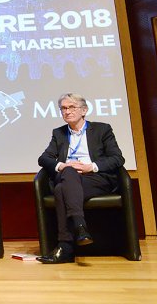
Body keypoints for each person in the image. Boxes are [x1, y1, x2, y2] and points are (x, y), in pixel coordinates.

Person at [36, 92, 125, 264]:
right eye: (63, 108)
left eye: (71, 107)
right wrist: (61, 165)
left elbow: (117, 158)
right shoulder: (59, 133)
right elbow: (44, 158)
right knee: (67, 175)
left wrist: (90, 166)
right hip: (69, 178)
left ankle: (65, 247)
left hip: (95, 178)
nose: (67, 111)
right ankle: (80, 227)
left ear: (84, 110)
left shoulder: (102, 129)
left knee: (61, 189)